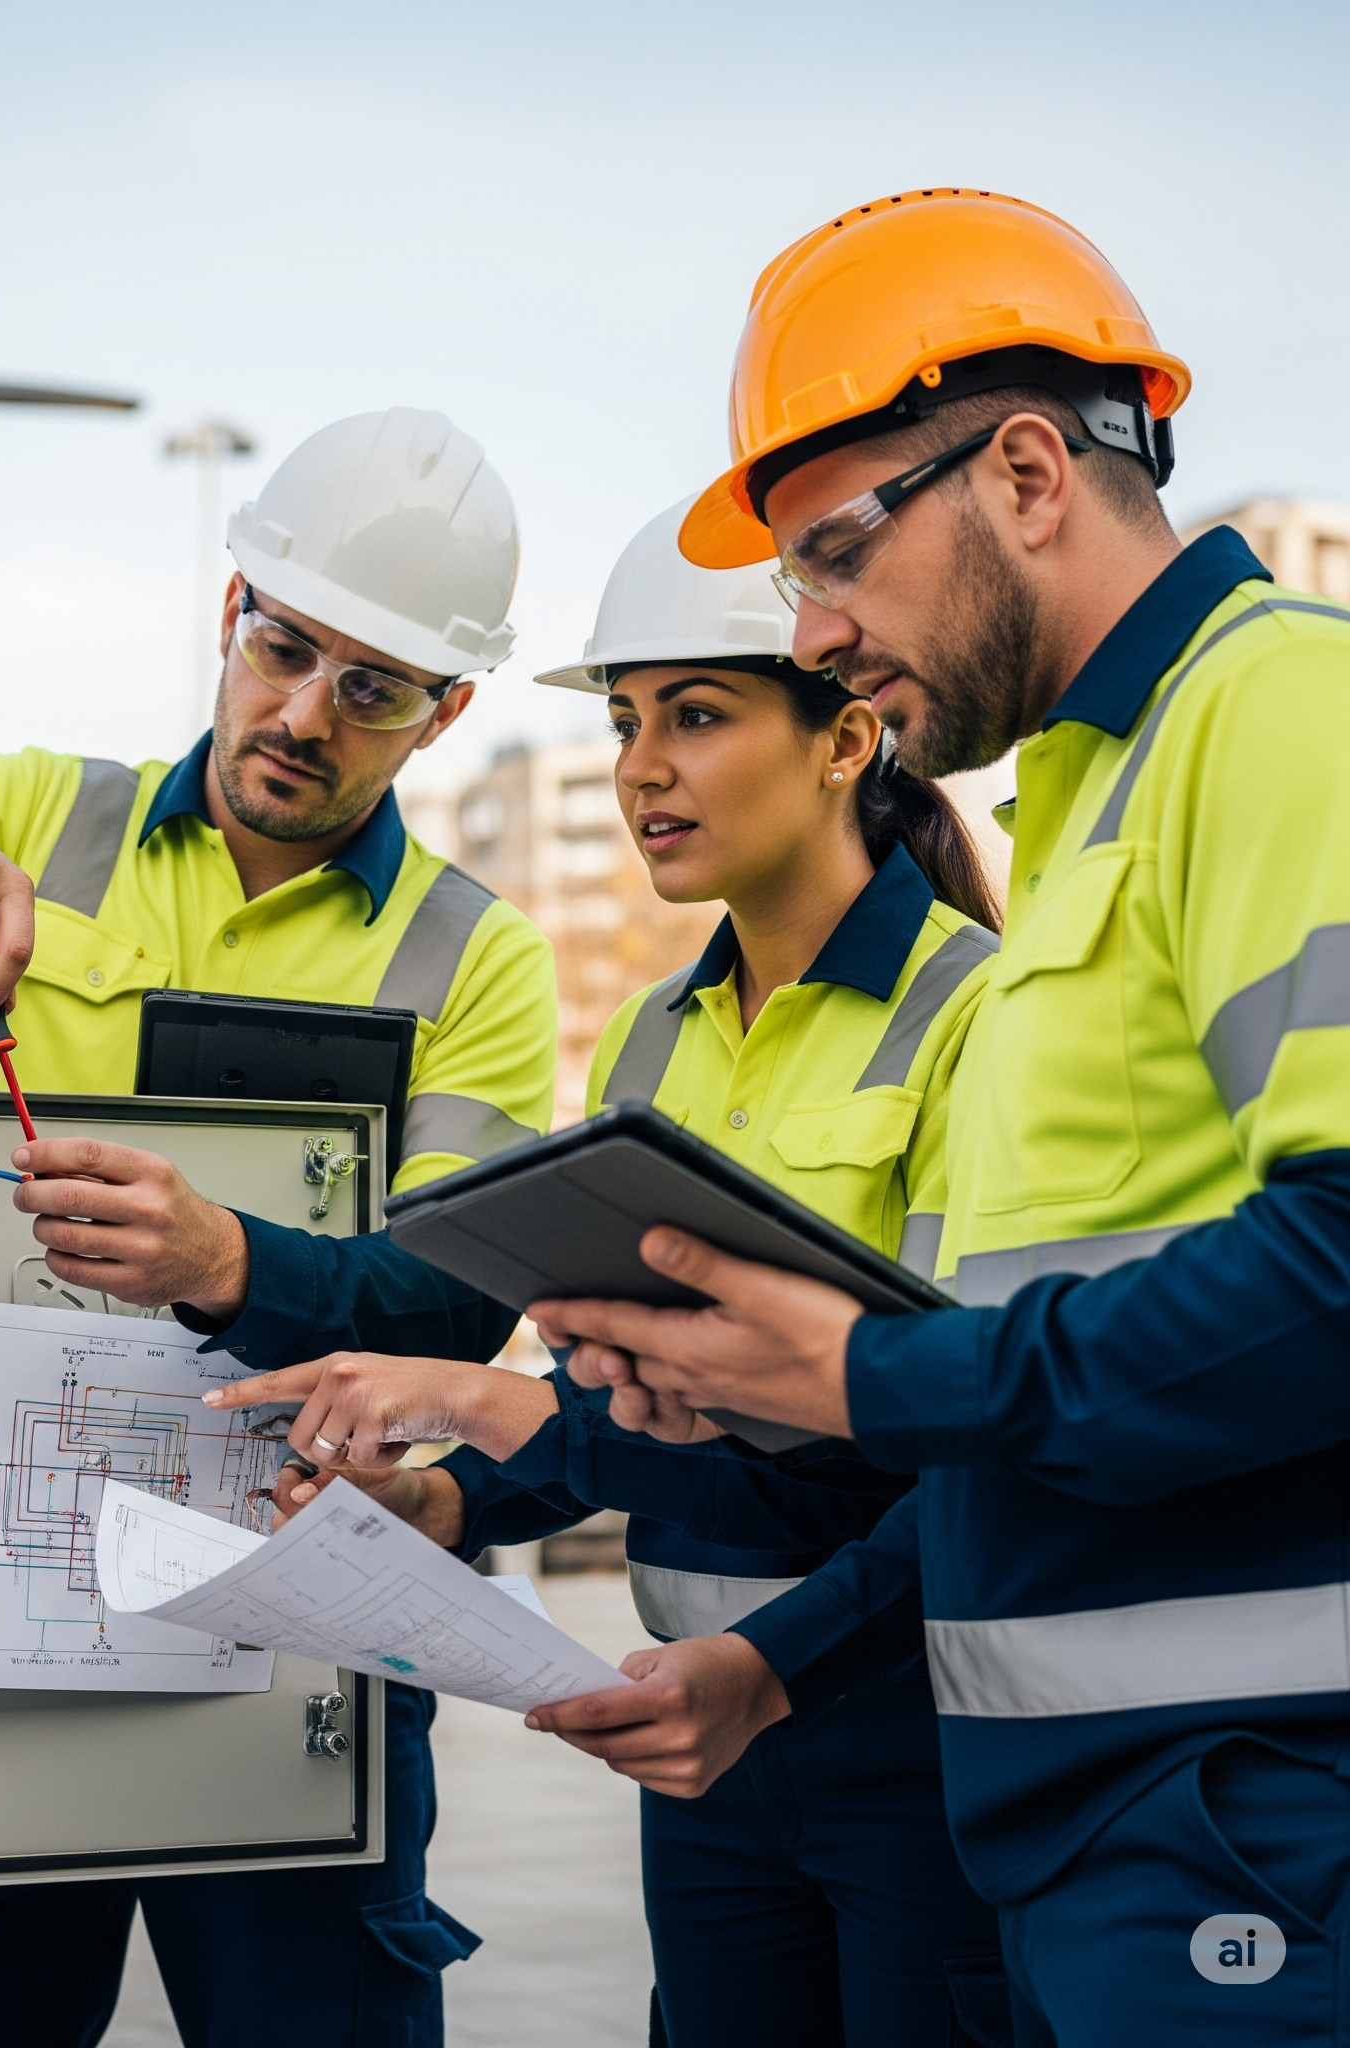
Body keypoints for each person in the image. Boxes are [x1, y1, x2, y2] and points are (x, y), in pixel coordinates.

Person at [532, 188, 1350, 2047]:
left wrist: (870, 1380)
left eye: (832, 553)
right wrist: (748, 1380)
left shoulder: (1285, 712)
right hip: (1103, 1827)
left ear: (1032, 474)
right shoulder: (1083, 819)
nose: (816, 632)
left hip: (1257, 1827)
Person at [0, 409, 558, 2048]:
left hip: (307, 1647)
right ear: (231, 616)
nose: (303, 715)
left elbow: (453, 1309)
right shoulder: (32, 813)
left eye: (371, 690)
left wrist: (233, 1266)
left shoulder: (474, 958)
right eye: (284, 650)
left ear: (447, 715)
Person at [215, 503, 1008, 2046]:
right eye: (630, 721)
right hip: (694, 1744)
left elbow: (967, 1450)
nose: (640, 767)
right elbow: (623, 1394)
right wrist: (447, 1503)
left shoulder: (981, 1020)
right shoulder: (654, 1034)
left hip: (904, 1735)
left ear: (848, 739)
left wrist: (768, 1668)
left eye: (697, 717)